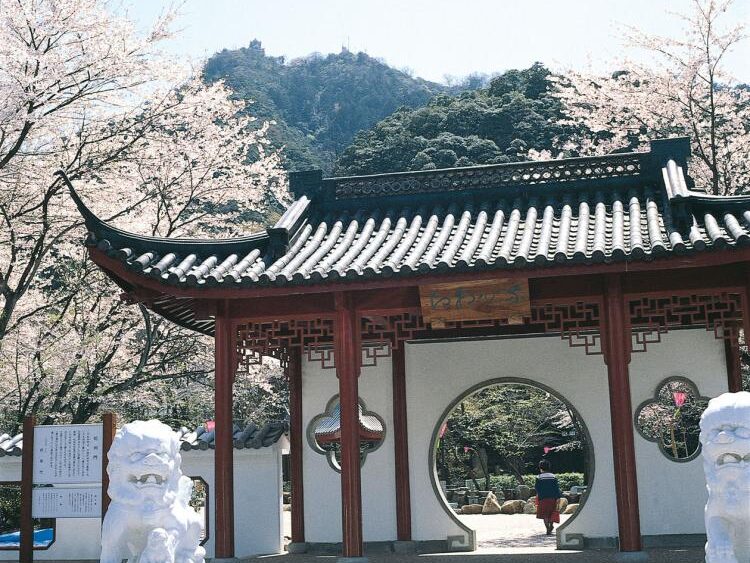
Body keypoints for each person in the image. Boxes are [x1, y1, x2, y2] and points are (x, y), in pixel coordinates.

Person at [534, 459, 562, 535]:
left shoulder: (539, 477)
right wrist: (558, 497)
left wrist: (539, 496)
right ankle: (551, 525)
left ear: (540, 468)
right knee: (552, 513)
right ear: (549, 467)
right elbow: (556, 488)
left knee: (545, 515)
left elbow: (537, 488)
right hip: (553, 498)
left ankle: (547, 528)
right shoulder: (553, 476)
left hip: (543, 498)